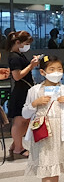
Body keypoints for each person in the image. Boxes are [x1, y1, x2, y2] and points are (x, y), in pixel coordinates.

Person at [6, 31, 37, 160]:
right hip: (20, 93)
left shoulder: (19, 55)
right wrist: (31, 66)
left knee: (26, 120)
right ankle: (18, 148)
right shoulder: (14, 57)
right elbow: (17, 76)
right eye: (26, 43)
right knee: (19, 121)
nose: (28, 46)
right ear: (18, 42)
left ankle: (15, 145)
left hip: (24, 91)